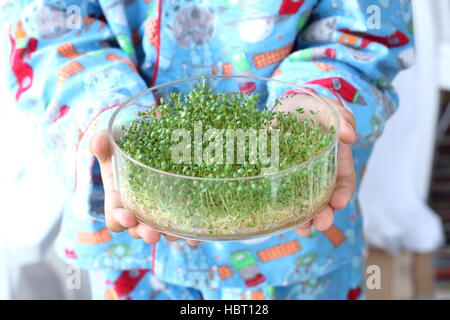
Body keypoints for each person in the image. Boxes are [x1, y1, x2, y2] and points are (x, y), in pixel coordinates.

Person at [2, 0, 414, 300]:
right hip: (132, 254)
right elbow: (44, 30)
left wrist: (317, 100)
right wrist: (106, 111)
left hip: (297, 249)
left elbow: (362, 29)